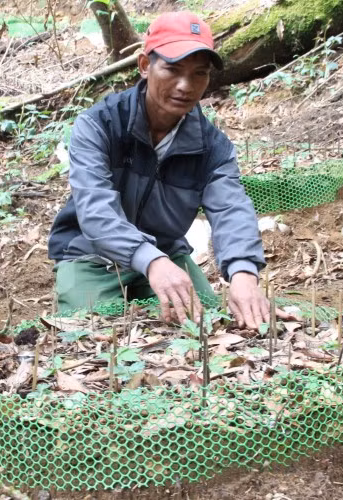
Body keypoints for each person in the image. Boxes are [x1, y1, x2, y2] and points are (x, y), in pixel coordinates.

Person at [47, 11, 270, 329]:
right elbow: (95, 210)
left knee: (204, 327)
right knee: (91, 333)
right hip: (91, 255)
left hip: (167, 253)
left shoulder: (211, 147)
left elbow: (231, 209)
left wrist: (244, 272)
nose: (185, 86)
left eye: (199, 74)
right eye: (172, 69)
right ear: (144, 65)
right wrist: (150, 260)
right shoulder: (100, 125)